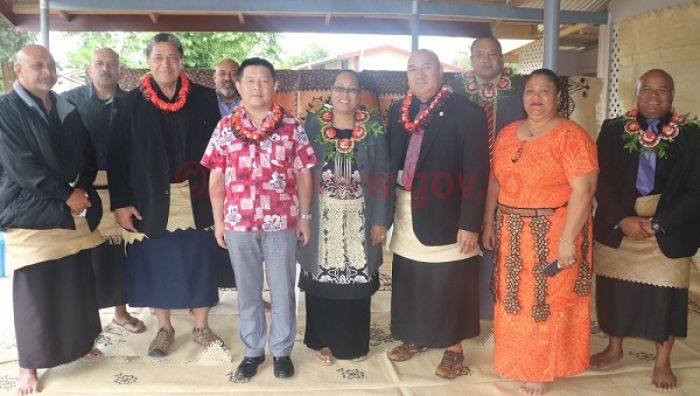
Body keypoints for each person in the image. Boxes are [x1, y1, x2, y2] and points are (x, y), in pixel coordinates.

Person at [108, 33, 228, 357]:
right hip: (150, 197)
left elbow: (220, 152)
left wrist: (223, 195)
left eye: (172, 57)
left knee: (200, 259)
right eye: (158, 57)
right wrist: (120, 203)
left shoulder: (204, 98)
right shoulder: (129, 103)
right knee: (156, 262)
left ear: (181, 61)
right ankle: (164, 328)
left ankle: (202, 326)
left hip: (197, 195)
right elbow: (116, 158)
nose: (165, 64)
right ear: (148, 62)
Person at [482, 68, 598, 395]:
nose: (536, 97)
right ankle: (516, 360)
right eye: (530, 91)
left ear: (559, 97)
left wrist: (566, 241)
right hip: (511, 232)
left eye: (544, 91)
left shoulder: (571, 136)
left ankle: (542, 369)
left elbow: (585, 190)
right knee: (514, 298)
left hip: (554, 231)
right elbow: (495, 179)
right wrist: (487, 220)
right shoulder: (506, 133)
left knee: (545, 301)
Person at [201, 57, 316, 380]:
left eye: (264, 80)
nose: (257, 87)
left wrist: (305, 216)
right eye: (249, 80)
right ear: (238, 85)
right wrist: (219, 221)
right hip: (239, 222)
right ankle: (252, 351)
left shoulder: (292, 125)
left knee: (282, 289)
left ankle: (281, 351)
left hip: (282, 222)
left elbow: (305, 173)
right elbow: (215, 179)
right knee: (247, 290)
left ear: (275, 85)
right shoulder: (224, 128)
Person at [0, 45, 103, 394]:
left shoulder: (64, 107)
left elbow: (87, 154)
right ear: (19, 70)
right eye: (38, 65)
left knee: (75, 280)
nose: (47, 71)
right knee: (35, 291)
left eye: (51, 64)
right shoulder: (6, 109)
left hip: (71, 204)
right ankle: (28, 365)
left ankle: (80, 344)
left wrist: (83, 188)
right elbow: (22, 165)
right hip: (28, 207)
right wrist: (65, 194)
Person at [590, 69, 700, 390]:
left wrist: (658, 223)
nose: (654, 95)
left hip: (668, 228)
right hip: (619, 224)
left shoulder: (691, 134)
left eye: (662, 90)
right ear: (636, 93)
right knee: (615, 293)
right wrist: (622, 219)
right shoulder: (612, 130)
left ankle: (662, 362)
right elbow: (601, 179)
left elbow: (696, 189)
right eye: (647, 89)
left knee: (665, 298)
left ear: (673, 94)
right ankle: (614, 347)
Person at [385, 49, 489, 379]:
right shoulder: (399, 111)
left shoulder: (467, 113)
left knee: (448, 283)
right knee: (411, 278)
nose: (419, 75)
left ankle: (453, 350)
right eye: (412, 69)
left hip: (449, 213)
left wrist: (470, 222)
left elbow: (477, 172)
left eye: (426, 68)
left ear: (440, 72)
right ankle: (416, 336)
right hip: (406, 209)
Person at [298, 70, 390, 365]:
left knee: (355, 282)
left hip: (359, 217)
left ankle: (351, 343)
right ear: (331, 91)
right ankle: (322, 342)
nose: (345, 94)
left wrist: (379, 220)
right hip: (322, 214)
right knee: (322, 280)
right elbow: (300, 170)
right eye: (340, 88)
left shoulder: (373, 126)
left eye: (352, 89)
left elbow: (384, 174)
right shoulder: (313, 124)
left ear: (360, 93)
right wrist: (304, 215)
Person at [62, 47, 146, 334]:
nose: (105, 69)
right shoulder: (68, 102)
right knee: (84, 254)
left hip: (123, 187)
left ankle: (121, 313)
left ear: (120, 70)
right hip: (81, 189)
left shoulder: (134, 102)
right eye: (99, 63)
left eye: (111, 64)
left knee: (119, 252)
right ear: (90, 69)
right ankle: (85, 321)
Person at [451, 34, 526, 321]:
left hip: (510, 181)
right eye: (480, 54)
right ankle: (469, 309)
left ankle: (502, 309)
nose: (486, 59)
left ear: (502, 58)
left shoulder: (520, 90)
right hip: (463, 181)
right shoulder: (455, 91)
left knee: (504, 244)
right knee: (466, 241)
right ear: (471, 60)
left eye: (492, 53)